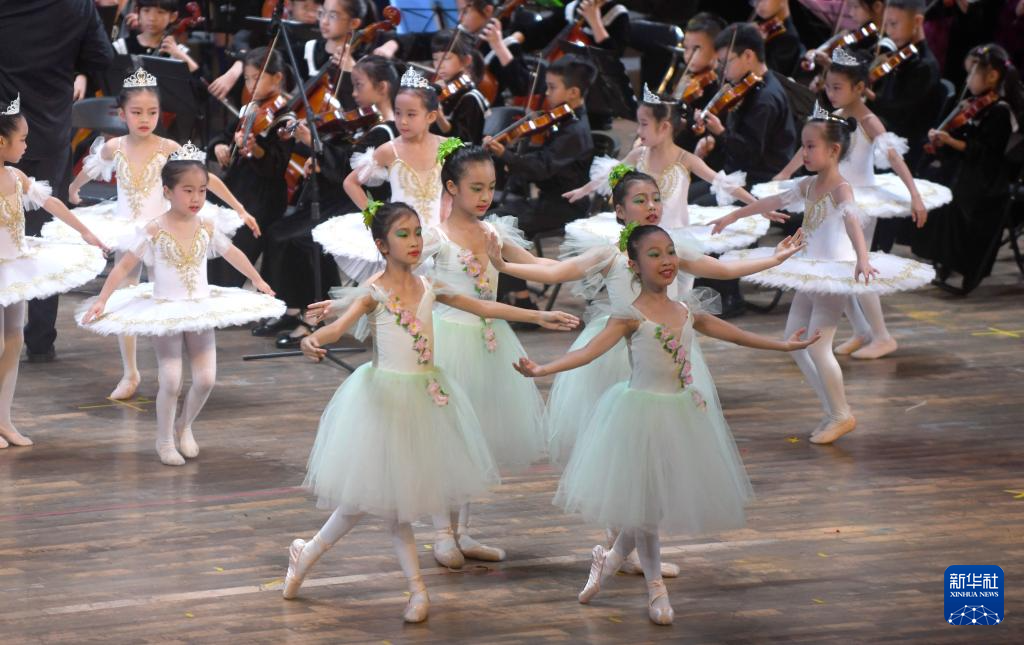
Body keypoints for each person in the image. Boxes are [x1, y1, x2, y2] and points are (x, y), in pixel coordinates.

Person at [284, 201, 578, 622]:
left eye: (418, 232)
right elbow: (336, 328)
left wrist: (540, 315)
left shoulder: (430, 286)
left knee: (380, 507)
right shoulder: (373, 292)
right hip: (382, 403)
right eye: (403, 234)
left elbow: (486, 307)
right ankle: (405, 587)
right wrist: (312, 339)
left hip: (425, 399)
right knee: (375, 506)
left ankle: (321, 558)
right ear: (382, 245)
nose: (415, 241)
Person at [513, 223, 819, 626]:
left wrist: (783, 345)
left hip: (680, 414)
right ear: (634, 265)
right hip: (638, 416)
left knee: (651, 505)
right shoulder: (629, 316)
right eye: (654, 254)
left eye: (670, 252)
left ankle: (607, 562)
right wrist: (543, 369)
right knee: (646, 510)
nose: (666, 261)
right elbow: (588, 352)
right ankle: (656, 590)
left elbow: (734, 334)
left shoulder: (686, 311)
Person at [712, 103, 934, 444]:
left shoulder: (841, 188)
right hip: (809, 270)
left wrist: (862, 258)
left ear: (833, 150)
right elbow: (772, 202)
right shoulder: (808, 185)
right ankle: (833, 410)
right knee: (794, 342)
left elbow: (853, 223)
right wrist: (733, 216)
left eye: (810, 146)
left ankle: (841, 413)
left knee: (817, 348)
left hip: (832, 274)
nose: (804, 153)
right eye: (803, 146)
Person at [78, 145, 284, 465]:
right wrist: (103, 298)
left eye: (201, 190)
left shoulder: (206, 226)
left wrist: (257, 279)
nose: (196, 197)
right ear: (167, 191)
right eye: (187, 190)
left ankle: (184, 425)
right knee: (171, 379)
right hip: (166, 309)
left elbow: (232, 253)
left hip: (199, 307)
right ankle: (163, 440)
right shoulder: (155, 228)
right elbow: (124, 266)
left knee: (206, 379)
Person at [62, 69, 258, 401]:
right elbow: (90, 167)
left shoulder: (168, 147)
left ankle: (170, 369)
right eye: (137, 112)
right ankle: (130, 371)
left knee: (166, 296)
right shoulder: (115, 146)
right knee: (124, 295)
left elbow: (205, 178)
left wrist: (239, 207)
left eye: (152, 112)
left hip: (165, 227)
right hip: (128, 228)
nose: (145, 119)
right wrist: (74, 188)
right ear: (122, 114)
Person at [756, 48, 951, 359]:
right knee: (838, 267)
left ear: (859, 88)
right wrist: (786, 173)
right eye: (828, 87)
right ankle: (862, 331)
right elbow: (811, 147)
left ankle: (882, 335)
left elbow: (894, 158)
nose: (830, 93)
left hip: (859, 200)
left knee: (856, 265)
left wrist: (915, 195)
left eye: (837, 88)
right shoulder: (834, 118)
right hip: (833, 195)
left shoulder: (868, 121)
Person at [0, 0, 113, 362]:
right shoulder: (77, 6)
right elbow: (102, 59)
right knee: (43, 234)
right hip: (48, 130)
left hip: (3, 127)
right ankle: (40, 340)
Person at [0, 93, 107, 448]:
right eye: (22, 140)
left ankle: (4, 419)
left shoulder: (15, 176)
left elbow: (50, 201)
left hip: (15, 267)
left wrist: (85, 231)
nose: (27, 146)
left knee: (14, 340)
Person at [483, 55, 596, 307]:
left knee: (495, 225)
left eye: (552, 87)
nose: (546, 93)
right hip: (547, 201)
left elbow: (542, 168)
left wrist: (507, 155)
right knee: (495, 222)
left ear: (574, 92)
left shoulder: (575, 131)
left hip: (565, 206)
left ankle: (520, 300)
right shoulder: (563, 121)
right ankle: (510, 294)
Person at [913, 44, 1024, 293]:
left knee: (954, 198)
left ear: (992, 76)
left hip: (988, 179)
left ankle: (959, 265)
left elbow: (988, 153)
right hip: (968, 170)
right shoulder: (974, 105)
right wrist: (942, 140)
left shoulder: (1000, 111)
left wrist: (951, 141)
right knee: (933, 182)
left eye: (972, 74)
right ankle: (940, 257)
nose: (967, 80)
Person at [209, 48, 293, 288]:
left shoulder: (286, 118)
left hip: (264, 195)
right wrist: (220, 148)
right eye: (246, 78)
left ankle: (227, 289)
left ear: (277, 78)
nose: (250, 84)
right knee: (212, 225)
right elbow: (224, 137)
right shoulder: (251, 108)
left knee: (238, 242)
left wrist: (256, 149)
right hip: (237, 183)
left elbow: (277, 166)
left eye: (257, 78)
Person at [112, 0, 199, 72]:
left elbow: (198, 82)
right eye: (146, 11)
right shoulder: (121, 47)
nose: (152, 18)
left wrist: (178, 54)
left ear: (173, 16)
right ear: (138, 12)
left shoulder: (178, 51)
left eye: (160, 12)